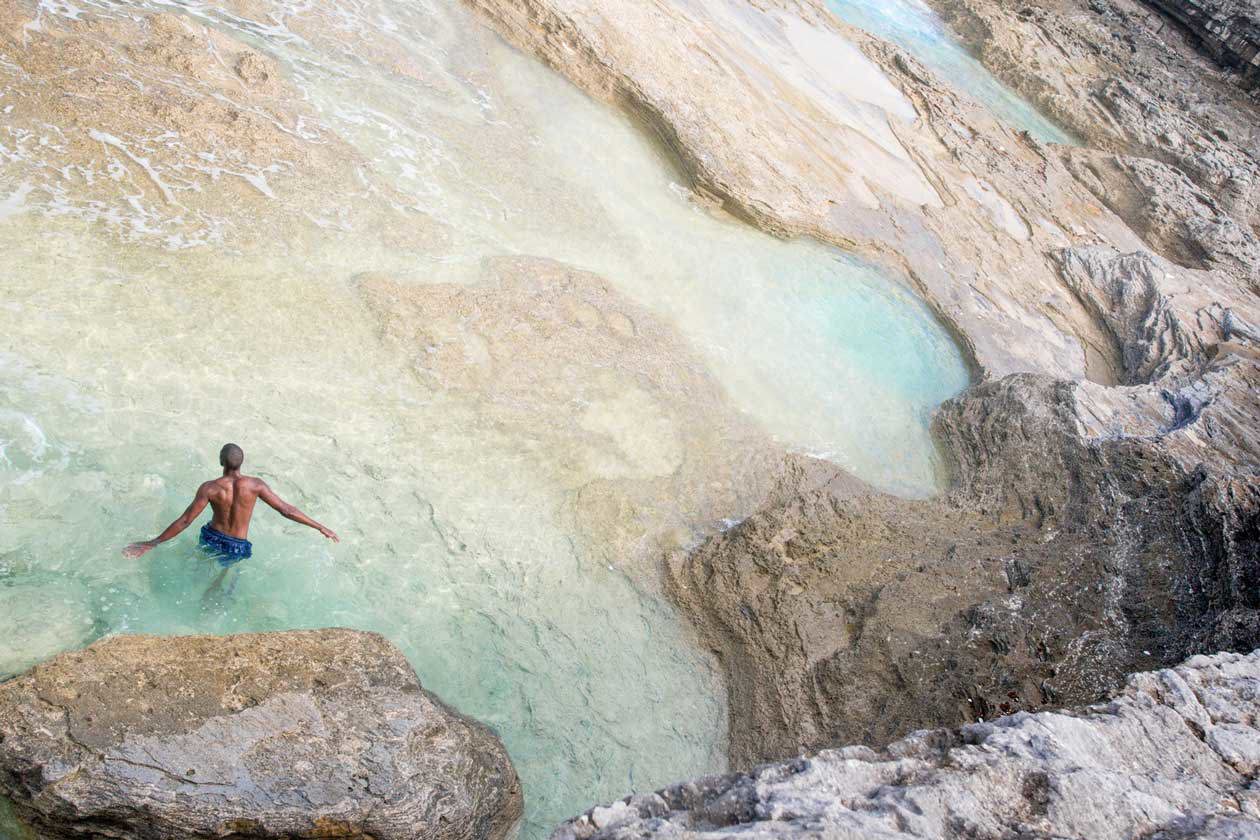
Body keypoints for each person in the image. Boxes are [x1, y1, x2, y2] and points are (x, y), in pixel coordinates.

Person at [123, 443, 339, 565]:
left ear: (220, 461)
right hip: (237, 545)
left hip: (211, 537)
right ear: (241, 462)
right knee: (224, 582)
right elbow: (287, 510)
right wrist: (320, 526)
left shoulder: (210, 488)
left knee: (200, 567)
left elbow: (186, 520)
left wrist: (153, 542)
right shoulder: (255, 485)